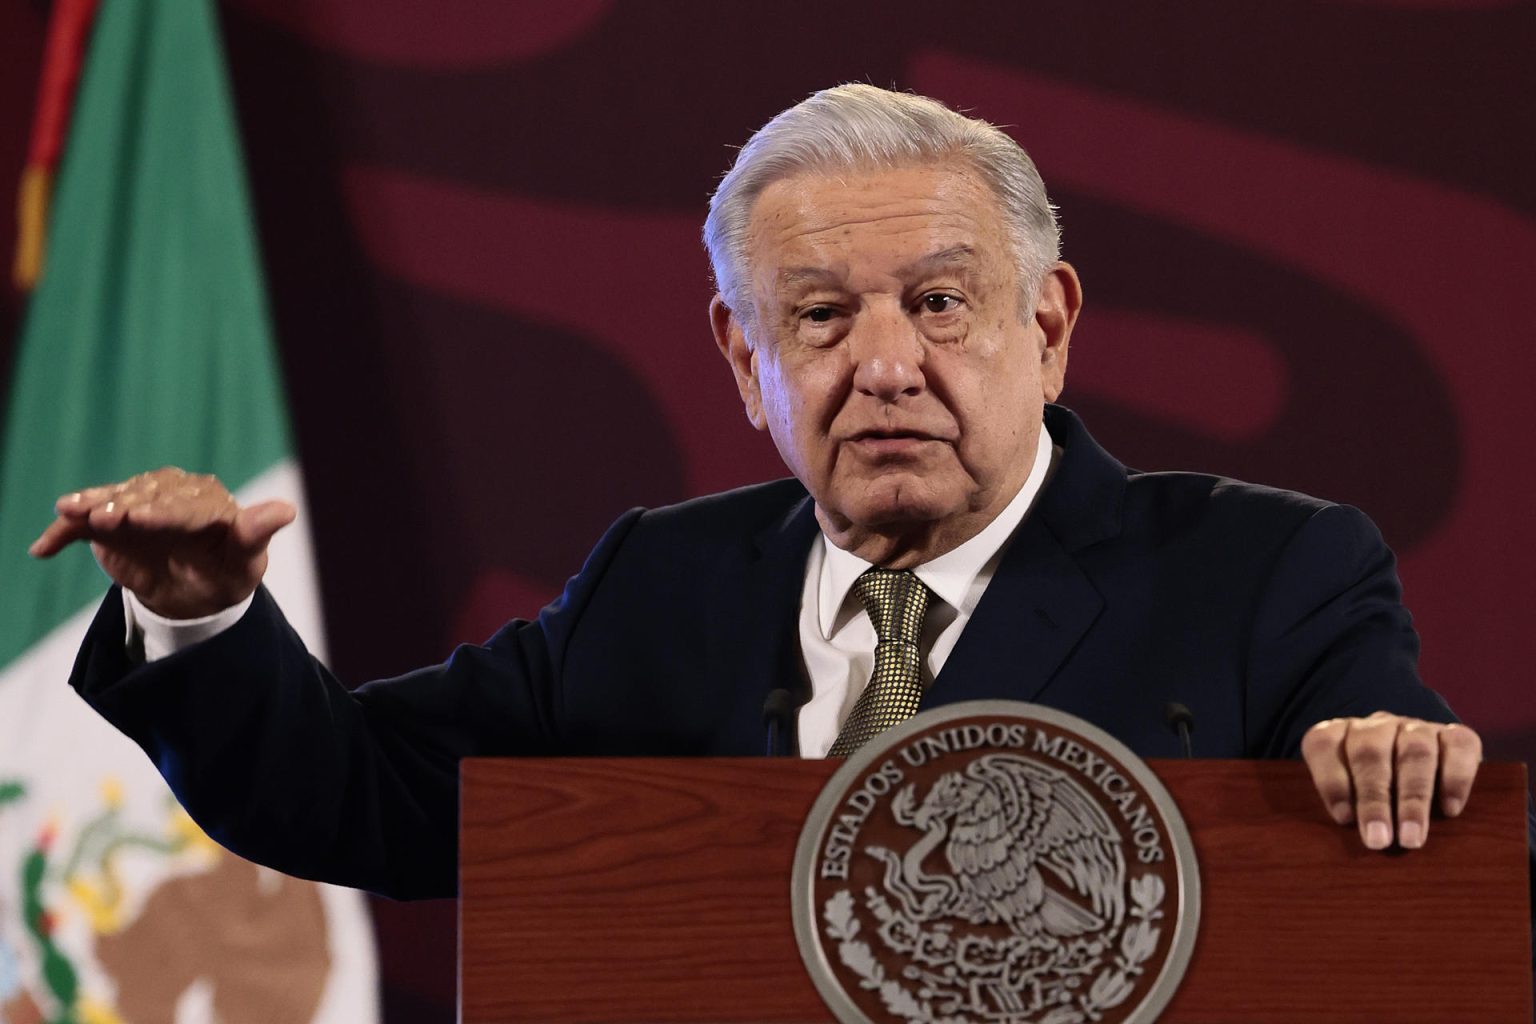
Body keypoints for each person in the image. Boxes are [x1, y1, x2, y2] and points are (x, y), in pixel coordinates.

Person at [30, 84, 1481, 900]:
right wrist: (205, 620)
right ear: (745, 357)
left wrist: (1394, 758)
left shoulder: (1266, 575)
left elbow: (1397, 771)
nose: (888, 366)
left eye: (939, 303)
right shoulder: (663, 586)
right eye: (823, 317)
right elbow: (355, 799)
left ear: (1047, 330)